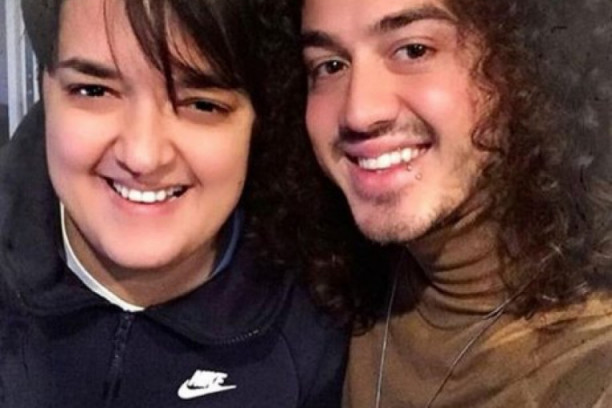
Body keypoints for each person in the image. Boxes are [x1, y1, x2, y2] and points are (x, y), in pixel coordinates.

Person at [0, 0, 347, 406]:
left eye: (202, 104)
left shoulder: (317, 329)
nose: (143, 157)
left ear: (259, 120)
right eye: (94, 91)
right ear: (45, 85)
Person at [294, 0, 612, 406]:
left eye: (413, 50)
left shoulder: (593, 370)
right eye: (330, 66)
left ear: (525, 61)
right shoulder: (347, 290)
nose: (359, 112)